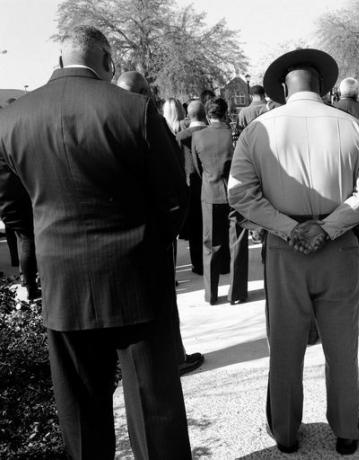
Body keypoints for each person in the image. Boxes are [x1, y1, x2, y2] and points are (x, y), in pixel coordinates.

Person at [0, 26, 192, 459]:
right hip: (137, 279)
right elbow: (174, 197)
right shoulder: (136, 110)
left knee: (82, 416)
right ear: (106, 59)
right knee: (154, 410)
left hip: (63, 282)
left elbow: (12, 209)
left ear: (62, 59)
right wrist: (148, 246)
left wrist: (49, 243)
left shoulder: (10, 120)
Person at [228, 48, 359, 455]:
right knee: (342, 345)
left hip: (285, 249)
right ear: (322, 85)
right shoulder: (354, 126)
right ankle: (345, 430)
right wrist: (327, 228)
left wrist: (289, 228)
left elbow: (239, 194)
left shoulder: (259, 130)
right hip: (338, 245)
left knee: (285, 346)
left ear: (284, 87)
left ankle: (286, 433)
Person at [117, 71, 204, 376]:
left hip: (124, 230)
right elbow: (176, 184)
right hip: (153, 229)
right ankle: (174, 357)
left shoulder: (108, 123)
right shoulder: (149, 122)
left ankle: (147, 361)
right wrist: (170, 229)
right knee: (164, 301)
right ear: (146, 94)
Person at [192, 97, 248, 305]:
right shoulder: (236, 136)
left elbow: (198, 169)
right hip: (235, 194)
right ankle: (237, 293)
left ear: (208, 115)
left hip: (210, 193)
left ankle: (211, 294)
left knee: (210, 245)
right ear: (225, 113)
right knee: (238, 243)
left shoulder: (198, 137)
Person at [176, 100, 206, 275]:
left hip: (189, 185)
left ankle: (197, 264)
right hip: (210, 183)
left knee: (194, 228)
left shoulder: (180, 137)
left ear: (188, 115)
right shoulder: (212, 132)